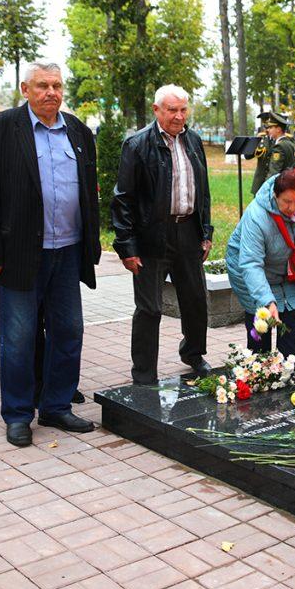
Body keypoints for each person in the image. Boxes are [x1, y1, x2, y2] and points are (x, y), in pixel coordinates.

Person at [0, 61, 101, 447]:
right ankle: (18, 414)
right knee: (19, 338)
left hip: (67, 251)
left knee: (68, 331)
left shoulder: (77, 130)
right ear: (25, 89)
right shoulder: (0, 129)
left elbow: (87, 190)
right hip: (20, 254)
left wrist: (91, 245)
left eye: (57, 85)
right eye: (43, 85)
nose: (52, 93)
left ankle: (57, 405)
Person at [112, 84, 213, 386]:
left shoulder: (193, 141)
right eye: (172, 110)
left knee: (195, 300)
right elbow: (123, 199)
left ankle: (193, 354)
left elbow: (203, 191)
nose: (179, 116)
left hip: (188, 232)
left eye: (183, 109)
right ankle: (144, 373)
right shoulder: (137, 144)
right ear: (156, 110)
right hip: (151, 236)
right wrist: (127, 246)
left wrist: (205, 232)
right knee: (150, 308)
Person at [226, 169, 295, 358]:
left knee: (290, 323)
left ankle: (288, 375)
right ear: (275, 196)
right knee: (261, 327)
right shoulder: (257, 216)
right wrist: (267, 300)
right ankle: (258, 373)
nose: (293, 208)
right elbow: (251, 264)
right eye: (287, 202)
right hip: (251, 271)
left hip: (288, 272)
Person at [251, 111, 295, 194]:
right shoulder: (290, 143)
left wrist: (266, 190)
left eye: (271, 127)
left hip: (277, 187)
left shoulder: (279, 146)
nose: (268, 130)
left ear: (278, 129)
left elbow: (274, 171)